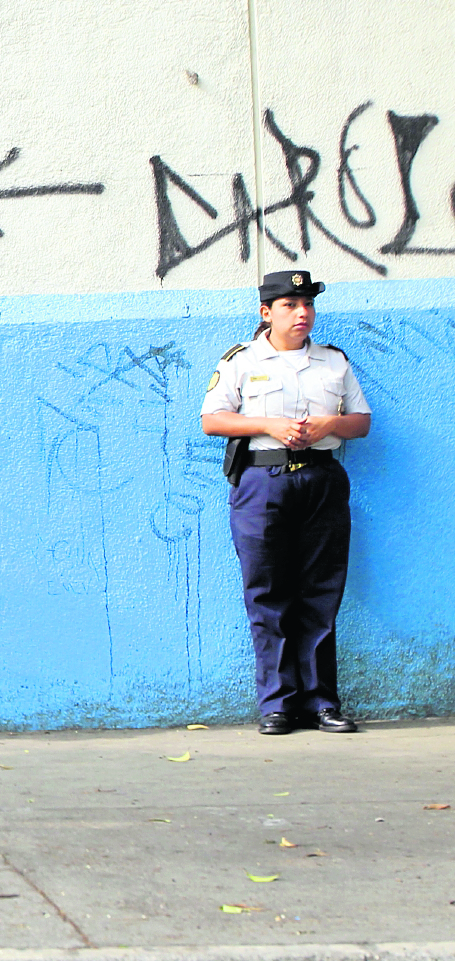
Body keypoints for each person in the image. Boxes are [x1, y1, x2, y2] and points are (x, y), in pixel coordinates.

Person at [201, 269, 372, 735]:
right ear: (266, 312)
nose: (302, 314)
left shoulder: (333, 362)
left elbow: (361, 421)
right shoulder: (241, 360)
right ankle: (277, 704)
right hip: (263, 481)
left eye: (308, 305)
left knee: (321, 593)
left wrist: (328, 426)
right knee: (267, 592)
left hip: (320, 479)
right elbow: (212, 420)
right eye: (290, 306)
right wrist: (269, 425)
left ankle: (321, 703)